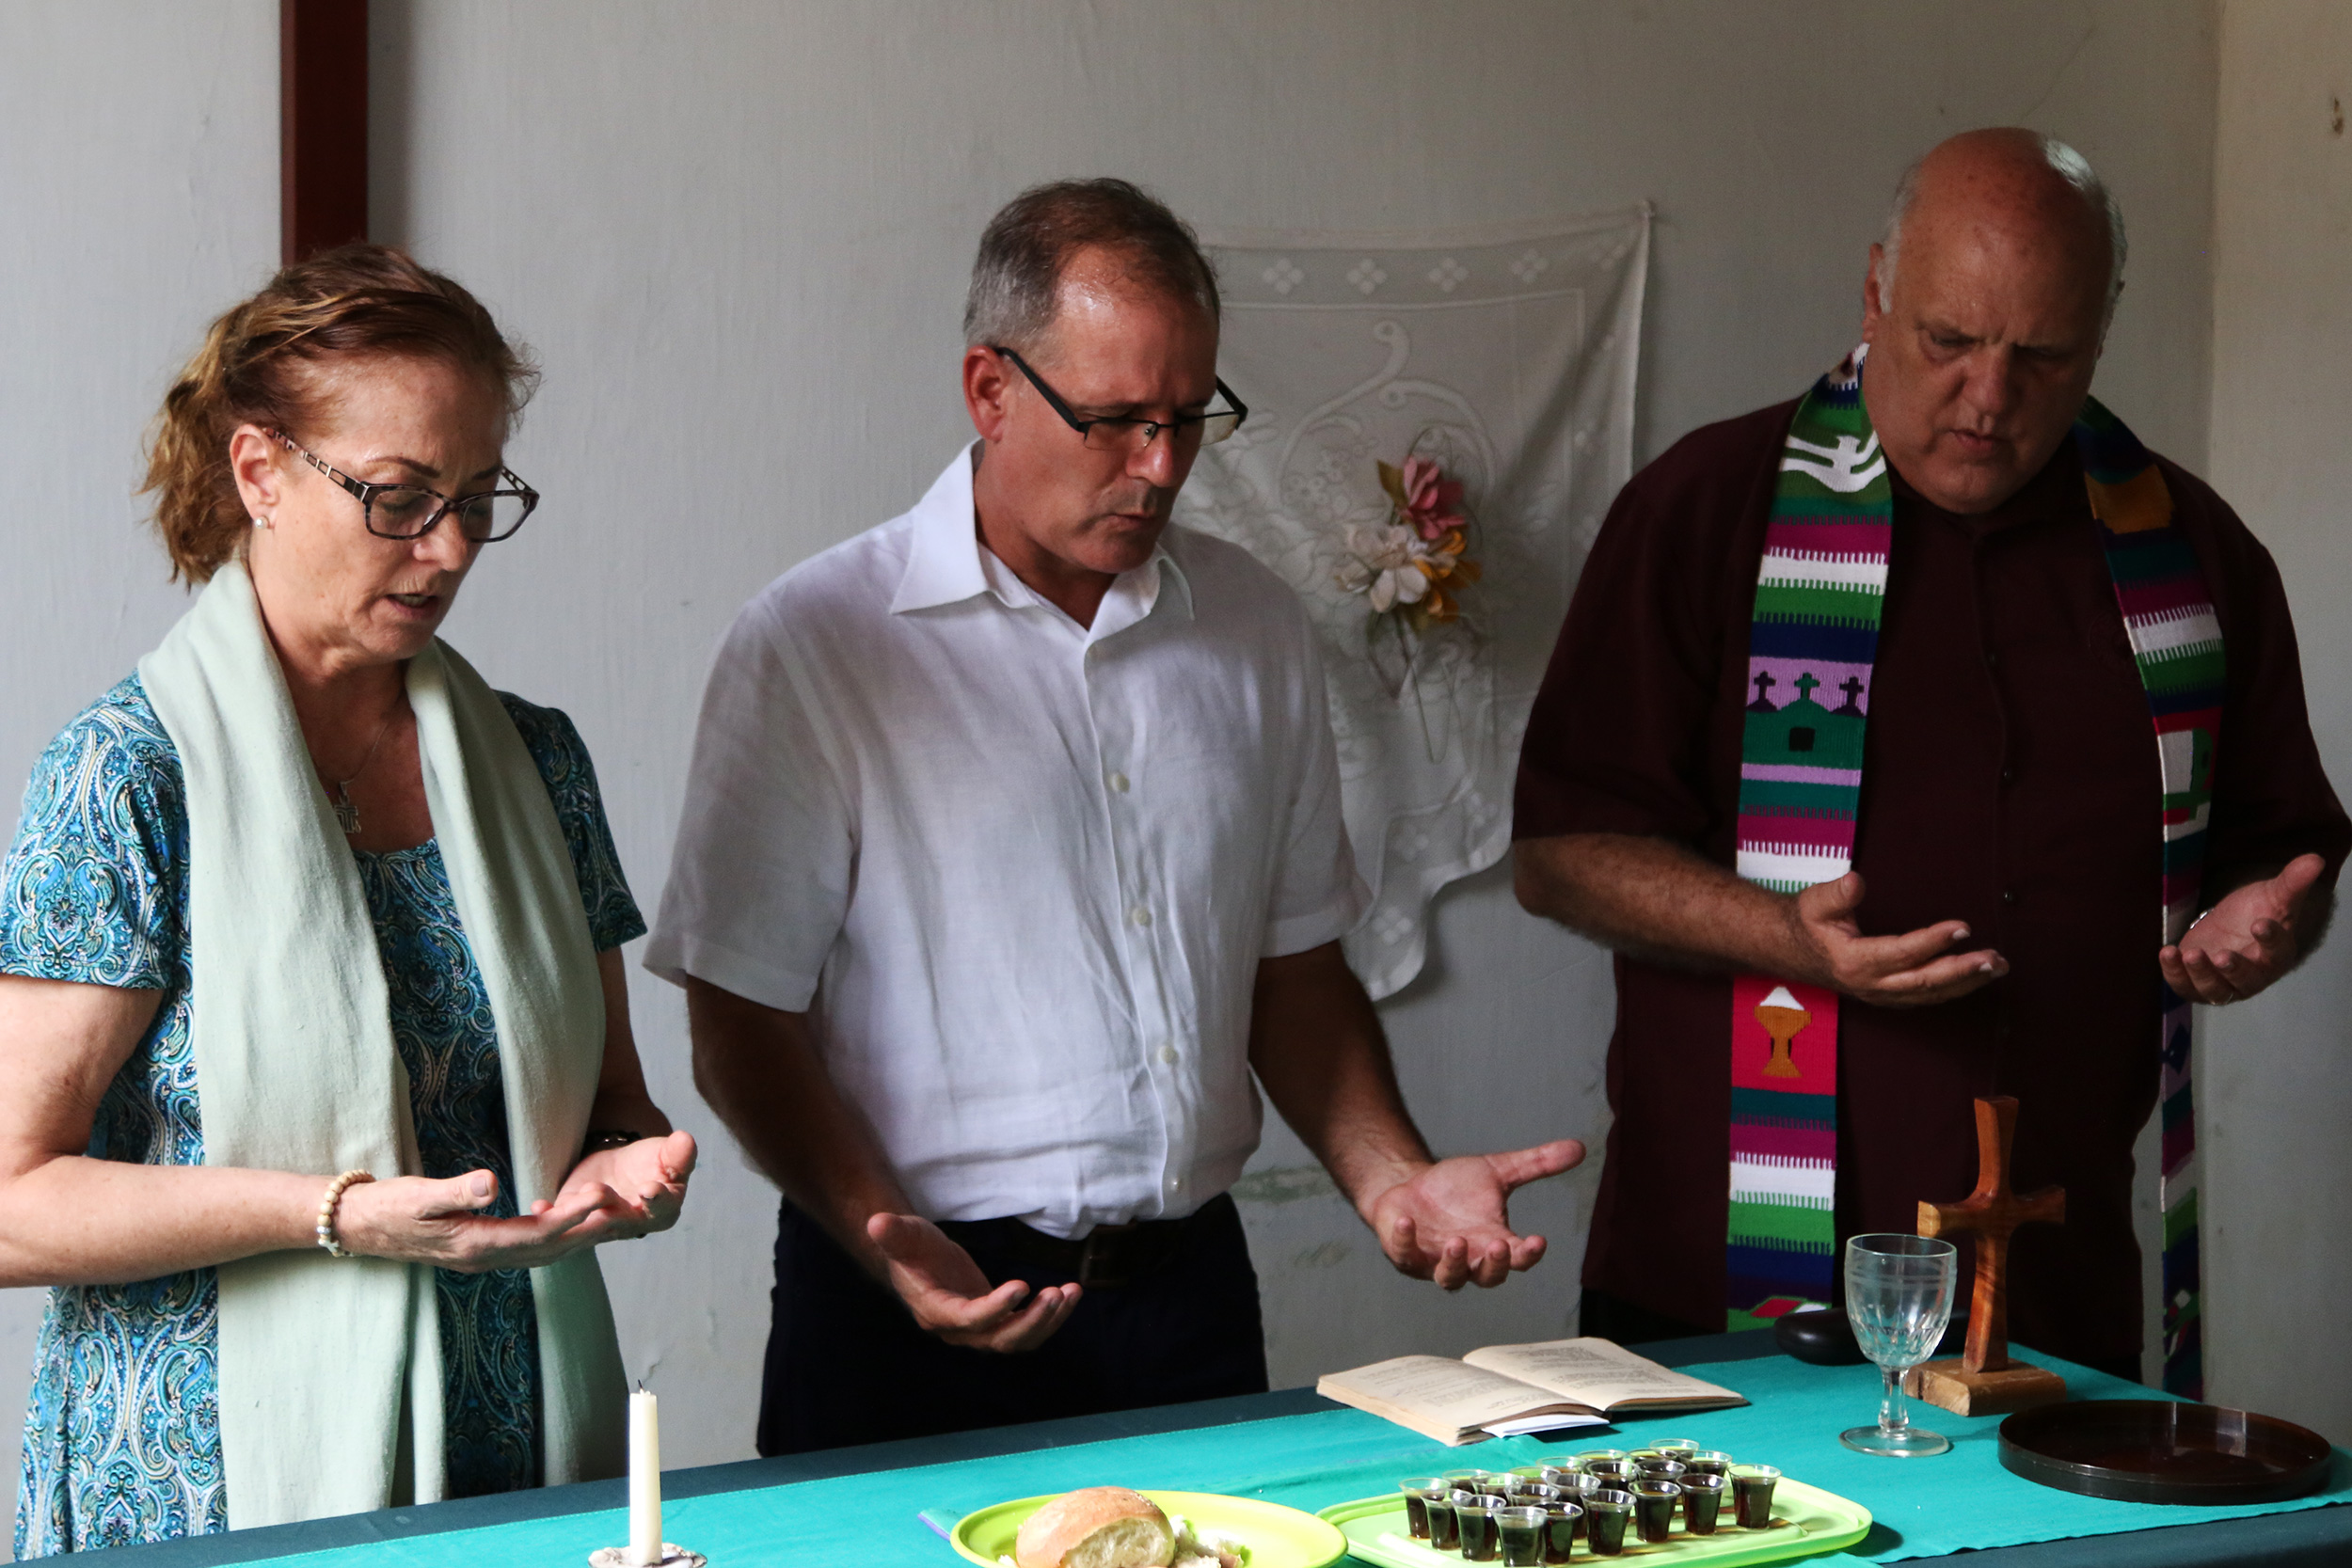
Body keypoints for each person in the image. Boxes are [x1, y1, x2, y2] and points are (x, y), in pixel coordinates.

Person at [648, 178, 1581, 1454]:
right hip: (909, 1309)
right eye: (1116, 422)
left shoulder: (1252, 627)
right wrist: (882, 1238)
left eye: (1189, 420)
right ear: (989, 390)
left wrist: (1391, 1174)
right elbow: (740, 1018)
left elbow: (1294, 970)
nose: (1159, 468)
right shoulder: (818, 646)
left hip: (1188, 1296)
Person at [1512, 128, 2349, 1389]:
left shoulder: (2194, 559)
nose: (1989, 398)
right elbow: (1563, 855)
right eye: (1950, 341)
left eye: (2044, 354)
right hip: (1724, 1278)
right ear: (1875, 292)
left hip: (2052, 1301)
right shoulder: (1703, 513)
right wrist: (1780, 936)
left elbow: (2275, 852)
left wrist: (2271, 918)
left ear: (2103, 330)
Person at [0, 245, 696, 1556]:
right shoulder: (128, 776)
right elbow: (9, 1198)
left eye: (480, 499)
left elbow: (613, 1102)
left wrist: (626, 1172)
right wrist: (335, 1213)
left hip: (523, 1466)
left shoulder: (538, 762)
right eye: (398, 498)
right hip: (210, 1495)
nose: (447, 550)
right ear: (259, 472)